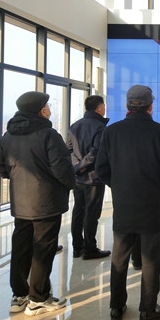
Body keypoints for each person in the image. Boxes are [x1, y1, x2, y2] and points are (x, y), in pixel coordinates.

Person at [96, 85, 160, 320]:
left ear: (127, 106)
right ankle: (148, 311)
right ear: (150, 107)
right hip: (152, 204)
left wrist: (118, 187)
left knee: (119, 258)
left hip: (123, 204)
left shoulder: (112, 132)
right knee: (151, 259)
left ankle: (116, 308)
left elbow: (101, 168)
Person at [0, 91, 75, 316]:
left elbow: (1, 167)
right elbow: (62, 168)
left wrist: (19, 181)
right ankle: (39, 298)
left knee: (21, 248)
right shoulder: (49, 135)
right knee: (43, 249)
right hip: (46, 203)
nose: (50, 109)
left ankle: (19, 295)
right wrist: (71, 185)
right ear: (41, 111)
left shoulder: (8, 136)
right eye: (47, 106)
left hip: (20, 203)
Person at [67, 95, 111, 260]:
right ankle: (90, 249)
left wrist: (76, 167)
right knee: (92, 214)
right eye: (103, 106)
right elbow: (96, 152)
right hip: (93, 177)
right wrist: (83, 166)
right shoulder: (100, 127)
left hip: (77, 177)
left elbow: (68, 150)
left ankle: (77, 247)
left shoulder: (75, 125)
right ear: (99, 109)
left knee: (78, 211)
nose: (104, 109)